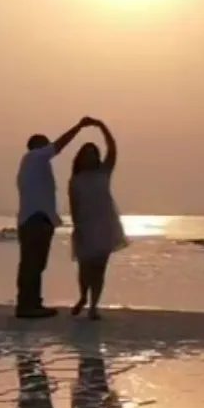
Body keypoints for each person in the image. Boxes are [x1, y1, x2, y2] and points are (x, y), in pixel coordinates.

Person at [16, 117, 94, 319]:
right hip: (36, 219)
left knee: (34, 263)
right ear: (38, 146)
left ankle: (32, 302)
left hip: (36, 219)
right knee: (33, 263)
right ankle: (27, 305)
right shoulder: (35, 157)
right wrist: (78, 127)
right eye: (45, 144)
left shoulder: (31, 164)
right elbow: (59, 145)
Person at [68, 119, 127, 320]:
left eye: (93, 154)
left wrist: (102, 126)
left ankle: (93, 306)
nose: (90, 158)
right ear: (80, 158)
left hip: (105, 225)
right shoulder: (76, 179)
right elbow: (74, 206)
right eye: (86, 155)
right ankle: (83, 297)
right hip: (85, 225)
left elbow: (112, 149)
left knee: (99, 269)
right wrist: (77, 228)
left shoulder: (104, 172)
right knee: (85, 268)